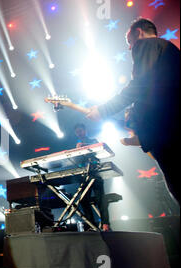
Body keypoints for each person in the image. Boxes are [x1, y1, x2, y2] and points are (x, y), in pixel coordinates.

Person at [86, 18, 180, 204]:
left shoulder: (147, 44)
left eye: (130, 42)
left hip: (169, 134)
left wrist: (104, 110)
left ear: (139, 33)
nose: (130, 48)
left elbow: (139, 85)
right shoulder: (167, 51)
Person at [74, 123, 110, 232]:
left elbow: (98, 153)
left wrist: (85, 146)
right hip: (84, 175)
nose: (79, 133)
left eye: (81, 130)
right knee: (83, 199)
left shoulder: (93, 140)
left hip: (96, 173)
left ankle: (105, 224)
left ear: (85, 130)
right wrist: (77, 151)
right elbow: (76, 162)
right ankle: (90, 224)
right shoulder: (77, 145)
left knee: (101, 199)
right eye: (78, 131)